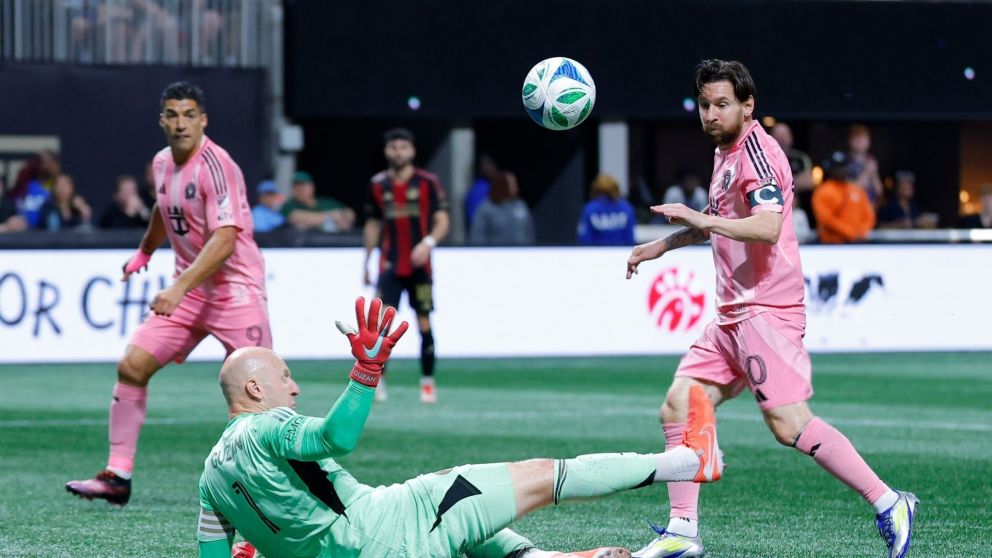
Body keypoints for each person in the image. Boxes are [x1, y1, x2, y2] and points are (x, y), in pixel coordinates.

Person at [625, 60, 916, 558]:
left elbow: (766, 227)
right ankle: (682, 532)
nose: (711, 115)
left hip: (766, 311)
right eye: (705, 105)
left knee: (790, 426)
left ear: (747, 105)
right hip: (732, 315)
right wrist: (665, 245)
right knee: (679, 404)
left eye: (722, 105)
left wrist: (700, 219)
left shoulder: (757, 154)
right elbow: (718, 221)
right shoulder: (725, 152)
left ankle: (889, 502)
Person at [196, 296, 724, 558]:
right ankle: (685, 461)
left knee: (474, 529)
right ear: (255, 390)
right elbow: (336, 439)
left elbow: (218, 553)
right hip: (392, 530)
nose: (295, 389)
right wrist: (365, 374)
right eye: (285, 377)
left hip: (366, 539)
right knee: (543, 475)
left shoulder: (209, 481)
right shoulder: (266, 427)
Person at [66, 81, 272, 505]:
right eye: (173, 115)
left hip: (235, 292)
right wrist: (144, 252)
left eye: (189, 115)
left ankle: (267, 495)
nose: (181, 123)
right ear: (162, 120)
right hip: (192, 292)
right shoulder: (161, 163)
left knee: (260, 396)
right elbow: (165, 207)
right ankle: (117, 476)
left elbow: (226, 238)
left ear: (203, 120)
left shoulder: (218, 165)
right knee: (132, 366)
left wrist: (177, 287)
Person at [363, 128, 450, 403]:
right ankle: (379, 383)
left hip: (420, 268)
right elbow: (373, 223)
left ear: (412, 151)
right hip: (390, 265)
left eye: (403, 147)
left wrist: (427, 243)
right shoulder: (377, 185)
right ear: (386, 151)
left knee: (423, 323)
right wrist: (366, 260)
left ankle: (427, 382)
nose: (397, 152)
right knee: (381, 326)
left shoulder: (427, 182)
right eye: (393, 147)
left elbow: (442, 219)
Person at [812, 152, 876, 244]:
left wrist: (861, 232)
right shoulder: (823, 191)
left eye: (843, 167)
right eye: (837, 168)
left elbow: (869, 216)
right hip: (831, 244)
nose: (840, 170)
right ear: (831, 169)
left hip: (858, 243)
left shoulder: (857, 190)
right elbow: (826, 219)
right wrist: (850, 233)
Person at [469, 170, 534, 245]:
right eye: (511, 184)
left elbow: (529, 231)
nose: (515, 187)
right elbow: (477, 235)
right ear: (501, 185)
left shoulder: (520, 205)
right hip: (496, 254)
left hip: (520, 253)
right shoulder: (485, 208)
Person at [770, 122, 815, 225]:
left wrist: (780, 183)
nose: (781, 139)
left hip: (796, 211)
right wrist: (794, 182)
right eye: (778, 135)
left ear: (791, 138)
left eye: (784, 136)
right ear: (771, 138)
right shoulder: (764, 158)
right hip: (771, 211)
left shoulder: (800, 158)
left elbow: (808, 183)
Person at [281, 171, 356, 232]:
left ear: (312, 187)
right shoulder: (289, 205)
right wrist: (332, 216)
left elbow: (350, 213)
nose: (300, 189)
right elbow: (296, 217)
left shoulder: (326, 202)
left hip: (334, 243)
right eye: (296, 186)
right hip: (305, 245)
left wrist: (343, 219)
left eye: (303, 186)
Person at [577, 174, 636, 246]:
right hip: (621, 253)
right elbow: (630, 238)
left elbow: (585, 238)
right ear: (616, 190)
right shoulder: (626, 208)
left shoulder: (590, 208)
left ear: (596, 190)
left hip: (595, 254)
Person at [847, 124, 884, 206]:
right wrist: (867, 172)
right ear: (850, 141)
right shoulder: (845, 162)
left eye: (863, 138)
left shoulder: (871, 160)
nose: (860, 141)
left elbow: (879, 191)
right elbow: (849, 191)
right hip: (853, 207)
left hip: (869, 207)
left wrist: (873, 174)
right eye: (857, 138)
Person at [465, 154, 499, 228]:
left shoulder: (498, 186)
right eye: (483, 165)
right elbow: (474, 219)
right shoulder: (479, 189)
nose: (487, 168)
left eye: (489, 164)